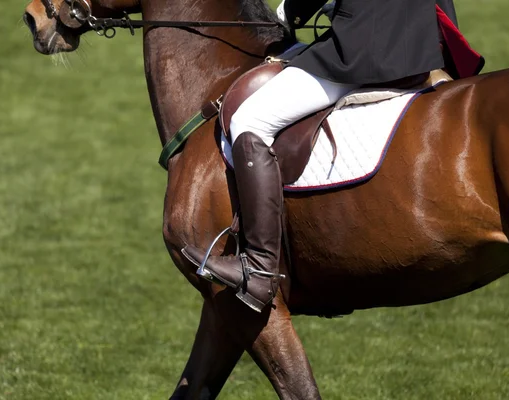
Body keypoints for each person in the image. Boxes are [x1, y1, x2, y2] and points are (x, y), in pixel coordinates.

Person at [184, 0, 462, 312]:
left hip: (369, 47)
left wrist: (290, 11)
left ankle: (259, 267)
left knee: (249, 120)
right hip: (420, 42)